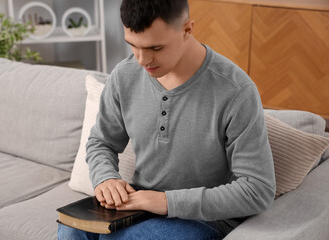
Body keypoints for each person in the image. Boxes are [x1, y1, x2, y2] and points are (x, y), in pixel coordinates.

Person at [58, 0, 276, 239]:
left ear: (187, 29)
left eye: (156, 48)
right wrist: (106, 178)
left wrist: (165, 201)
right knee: (71, 230)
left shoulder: (236, 90)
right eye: (132, 45)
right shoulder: (125, 74)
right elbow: (101, 142)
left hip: (201, 219)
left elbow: (258, 190)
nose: (142, 60)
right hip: (138, 204)